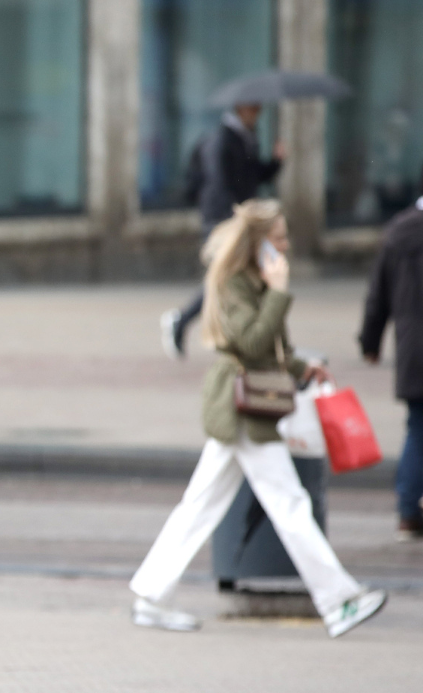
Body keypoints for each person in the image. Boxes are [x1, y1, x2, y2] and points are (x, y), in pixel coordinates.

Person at [131, 200, 386, 638]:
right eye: (280, 238)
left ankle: (151, 596)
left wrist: (301, 369)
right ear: (260, 244)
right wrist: (279, 290)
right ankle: (340, 600)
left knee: (201, 506)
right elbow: (250, 343)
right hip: (245, 409)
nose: (287, 245)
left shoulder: (253, 282)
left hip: (245, 406)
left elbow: (267, 352)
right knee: (289, 506)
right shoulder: (237, 283)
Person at [161, 103, 286, 358]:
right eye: (254, 108)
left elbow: (253, 177)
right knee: (223, 276)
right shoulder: (223, 140)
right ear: (241, 109)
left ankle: (236, 331)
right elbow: (220, 183)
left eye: (260, 108)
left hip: (237, 220)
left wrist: (276, 162)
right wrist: (236, 220)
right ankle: (184, 321)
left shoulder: (247, 139)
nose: (258, 113)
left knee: (230, 277)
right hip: (223, 220)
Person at [359, 174, 423, 541]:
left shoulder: (399, 231)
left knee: (418, 427)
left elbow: (377, 294)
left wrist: (370, 341)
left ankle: (407, 510)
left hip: (413, 349)